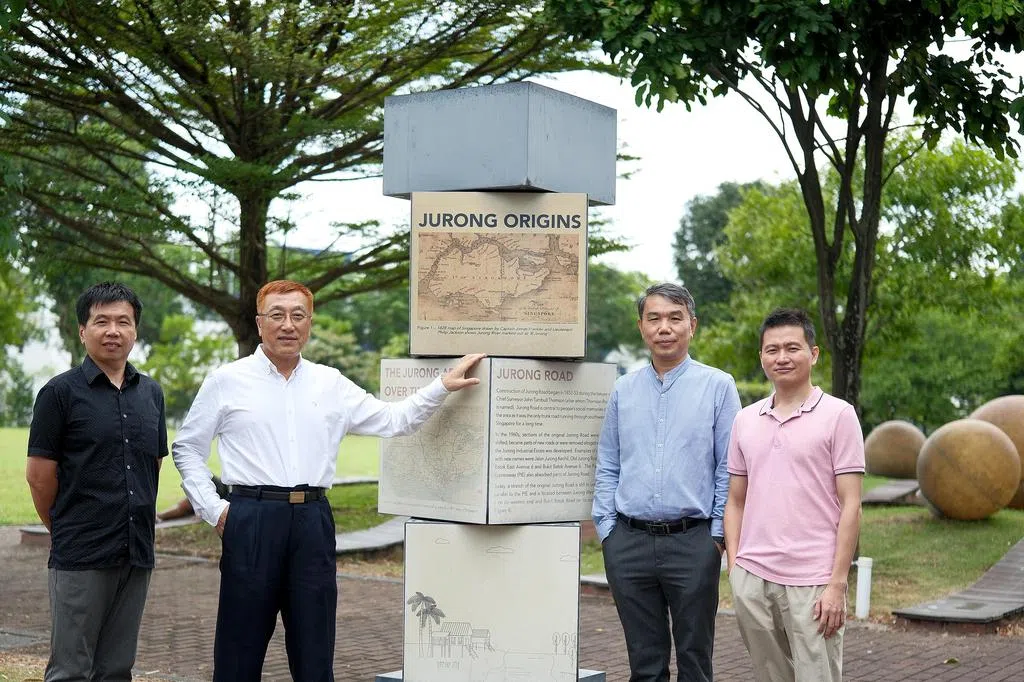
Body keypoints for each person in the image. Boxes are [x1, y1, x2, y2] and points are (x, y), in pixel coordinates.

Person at [171, 279, 484, 682]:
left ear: (310, 322)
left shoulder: (330, 383)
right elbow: (187, 448)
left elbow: (394, 420)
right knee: (238, 654)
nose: (288, 324)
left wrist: (441, 386)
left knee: (315, 653)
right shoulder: (226, 380)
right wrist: (214, 510)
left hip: (312, 523)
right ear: (260, 322)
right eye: (277, 315)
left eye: (298, 315)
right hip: (250, 519)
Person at [593, 282, 741, 682]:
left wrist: (715, 537)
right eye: (654, 318)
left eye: (675, 318)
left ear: (692, 325)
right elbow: (608, 463)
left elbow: (729, 467)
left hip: (693, 543)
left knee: (695, 661)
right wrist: (607, 530)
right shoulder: (623, 390)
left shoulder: (719, 386)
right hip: (628, 543)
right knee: (644, 665)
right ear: (641, 327)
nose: (664, 327)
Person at [26, 282, 168, 682]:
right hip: (81, 552)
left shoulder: (151, 394)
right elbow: (39, 477)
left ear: (135, 330)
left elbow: (153, 464)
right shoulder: (59, 393)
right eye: (101, 321)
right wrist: (65, 526)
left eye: (123, 322)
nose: (113, 331)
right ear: (82, 330)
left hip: (136, 551)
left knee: (117, 668)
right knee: (71, 669)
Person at [724, 308, 864, 682]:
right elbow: (735, 500)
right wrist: (736, 568)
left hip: (814, 579)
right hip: (753, 577)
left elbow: (852, 504)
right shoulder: (744, 420)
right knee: (770, 676)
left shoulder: (839, 415)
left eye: (792, 348)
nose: (782, 357)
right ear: (761, 357)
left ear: (813, 354)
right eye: (772, 350)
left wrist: (837, 583)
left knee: (817, 676)